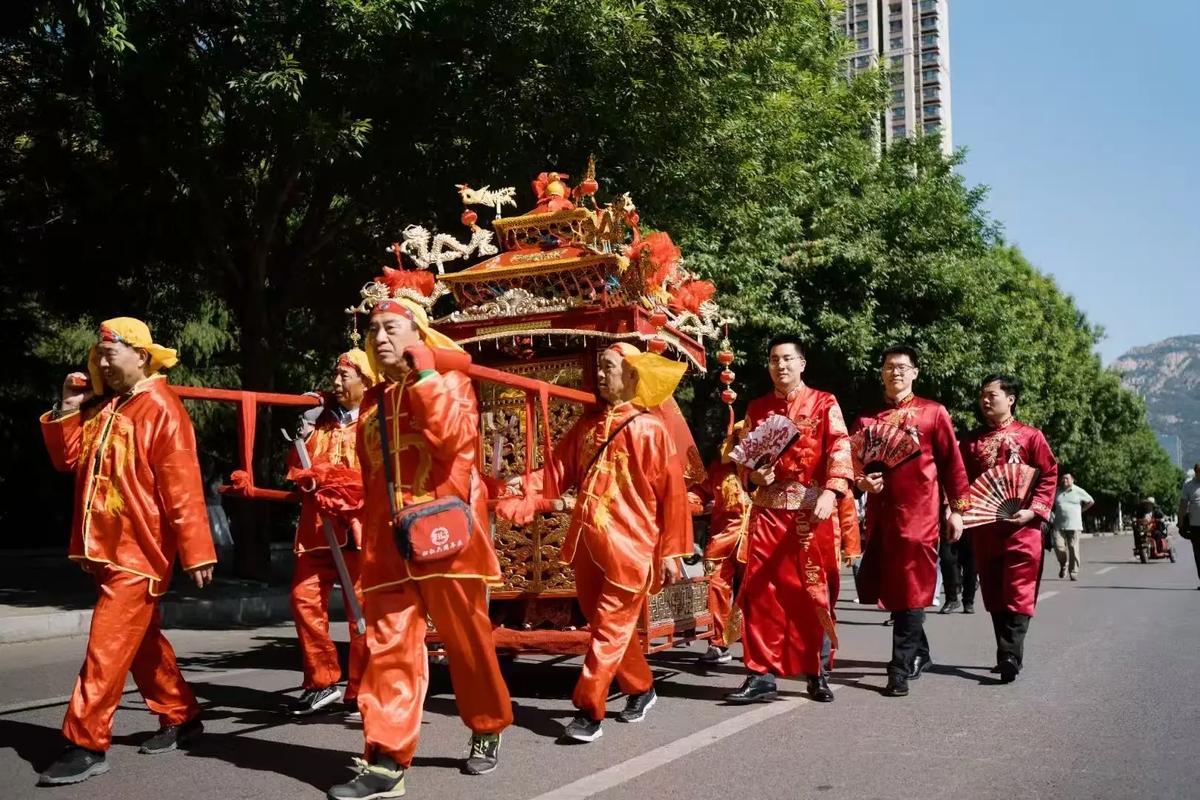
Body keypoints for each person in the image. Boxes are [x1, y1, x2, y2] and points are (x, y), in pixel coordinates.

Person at [327, 289, 513, 800]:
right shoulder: (372, 400)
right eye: (374, 331)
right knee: (387, 646)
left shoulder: (450, 381)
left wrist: (427, 375)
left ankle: (487, 723)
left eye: (392, 328)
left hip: (444, 533)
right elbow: (371, 476)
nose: (380, 338)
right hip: (388, 545)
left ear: (420, 335)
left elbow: (453, 441)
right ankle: (386, 759)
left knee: (467, 641)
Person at [37, 318, 216, 786]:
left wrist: (198, 550)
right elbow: (68, 460)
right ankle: (182, 717)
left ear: (141, 355)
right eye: (97, 355)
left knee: (106, 646)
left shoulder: (161, 407)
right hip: (105, 549)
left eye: (109, 354)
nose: (101, 362)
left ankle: (85, 743)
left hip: (140, 551)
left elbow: (183, 484)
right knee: (142, 645)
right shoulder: (108, 407)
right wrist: (69, 406)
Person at [497, 342, 690, 742]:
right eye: (598, 368)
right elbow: (558, 468)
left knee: (609, 627)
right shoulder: (588, 426)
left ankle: (589, 708)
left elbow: (672, 495)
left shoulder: (650, 428)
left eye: (607, 368)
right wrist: (526, 483)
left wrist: (671, 551)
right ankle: (641, 687)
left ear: (631, 375)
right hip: (587, 537)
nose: (599, 375)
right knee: (603, 622)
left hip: (631, 543)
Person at [726, 334, 853, 705]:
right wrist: (755, 476)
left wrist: (831, 492)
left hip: (810, 512)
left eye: (787, 359)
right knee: (761, 592)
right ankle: (759, 674)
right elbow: (745, 465)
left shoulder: (824, 403)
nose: (780, 366)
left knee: (811, 591)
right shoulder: (757, 407)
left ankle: (816, 672)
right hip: (767, 513)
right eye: (773, 360)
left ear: (802, 363)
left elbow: (840, 448)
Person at [853, 345, 970, 698]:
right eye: (890, 367)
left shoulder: (933, 414)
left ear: (916, 372)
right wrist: (862, 481)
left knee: (912, 585)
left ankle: (898, 668)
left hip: (920, 517)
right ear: (882, 373)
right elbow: (851, 463)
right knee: (896, 590)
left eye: (903, 367)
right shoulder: (866, 421)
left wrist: (957, 510)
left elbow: (953, 465)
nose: (896, 373)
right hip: (880, 517)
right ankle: (921, 652)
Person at [286, 350, 375, 716]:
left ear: (366, 382)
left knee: (362, 612)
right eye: (335, 376)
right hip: (318, 531)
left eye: (344, 377)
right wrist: (302, 437)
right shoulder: (319, 424)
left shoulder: (374, 422)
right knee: (302, 599)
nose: (336, 384)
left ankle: (361, 688)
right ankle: (322, 681)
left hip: (359, 530)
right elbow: (294, 471)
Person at [960, 374, 1058, 683]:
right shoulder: (971, 442)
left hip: (1023, 529)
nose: (985, 401)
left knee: (1018, 588)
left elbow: (1049, 474)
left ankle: (1010, 654)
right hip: (985, 528)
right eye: (982, 396)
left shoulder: (1031, 437)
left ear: (1010, 399)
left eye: (992, 394)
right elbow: (960, 480)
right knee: (994, 591)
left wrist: (1034, 510)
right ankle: (1006, 650)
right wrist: (960, 513)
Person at [690, 422, 751, 665]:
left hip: (757, 539)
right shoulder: (719, 469)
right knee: (714, 587)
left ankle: (754, 644)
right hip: (722, 539)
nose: (743, 441)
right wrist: (685, 502)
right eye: (739, 437)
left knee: (754, 595)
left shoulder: (767, 468)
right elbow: (699, 493)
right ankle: (718, 643)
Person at [1051, 473, 1094, 581]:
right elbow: (1048, 502)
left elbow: (1091, 501)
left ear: (1073, 480)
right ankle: (1063, 564)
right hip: (1058, 524)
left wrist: (1082, 510)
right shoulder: (1057, 491)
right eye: (1063, 478)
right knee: (1058, 547)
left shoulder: (1078, 491)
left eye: (1067, 478)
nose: (1064, 480)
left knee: (1073, 548)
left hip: (1074, 525)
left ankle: (1073, 572)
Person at [939, 502, 977, 614]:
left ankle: (968, 601)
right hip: (947, 519)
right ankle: (951, 599)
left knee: (971, 564)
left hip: (972, 519)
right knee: (947, 560)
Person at [1177, 466, 1200, 588]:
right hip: (1195, 526)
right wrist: (1180, 522)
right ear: (1196, 473)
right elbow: (1183, 505)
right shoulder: (1188, 485)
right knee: (1198, 554)